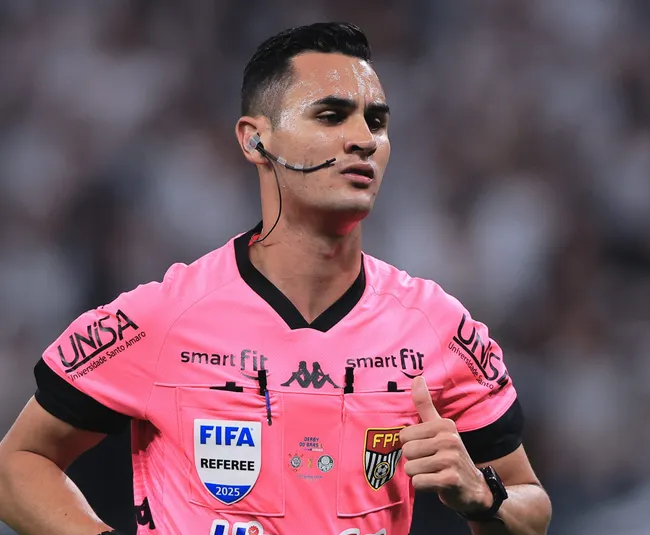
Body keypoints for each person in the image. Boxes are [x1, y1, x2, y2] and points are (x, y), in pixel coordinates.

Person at [0, 22, 551, 535]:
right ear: (255, 141)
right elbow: (17, 465)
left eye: (376, 121)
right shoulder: (163, 317)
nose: (363, 139)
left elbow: (533, 505)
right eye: (331, 116)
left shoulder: (438, 327)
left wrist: (485, 496)